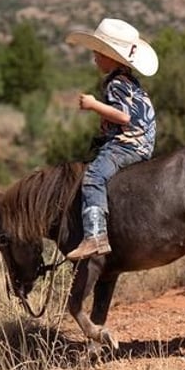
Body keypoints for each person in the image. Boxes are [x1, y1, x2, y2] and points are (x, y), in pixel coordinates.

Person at [64, 18, 158, 261]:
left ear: (112, 57)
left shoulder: (115, 84)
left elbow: (124, 117)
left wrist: (94, 105)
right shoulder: (131, 81)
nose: (95, 56)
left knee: (94, 176)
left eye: (99, 52)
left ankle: (95, 235)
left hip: (127, 145)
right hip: (144, 144)